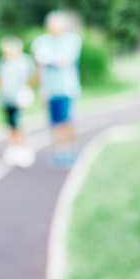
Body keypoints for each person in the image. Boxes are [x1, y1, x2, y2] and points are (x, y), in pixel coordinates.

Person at [31, 11, 82, 169]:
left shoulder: (72, 40)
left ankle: (70, 149)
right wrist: (41, 87)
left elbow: (64, 60)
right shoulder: (40, 41)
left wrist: (48, 58)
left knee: (67, 121)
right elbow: (40, 65)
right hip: (50, 89)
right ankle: (59, 151)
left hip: (67, 88)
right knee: (54, 123)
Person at [0, 35, 36, 168]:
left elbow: (31, 78)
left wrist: (26, 93)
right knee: (10, 125)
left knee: (20, 124)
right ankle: (12, 150)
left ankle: (25, 150)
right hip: (6, 98)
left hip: (20, 98)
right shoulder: (2, 62)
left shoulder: (25, 61)